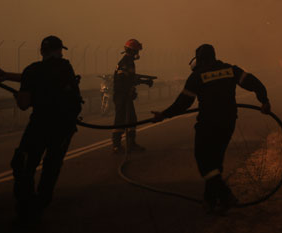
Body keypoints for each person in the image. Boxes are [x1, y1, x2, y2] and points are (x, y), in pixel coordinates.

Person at [152, 44, 272, 213]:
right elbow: (255, 83)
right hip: (228, 122)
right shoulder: (230, 70)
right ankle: (211, 202)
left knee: (204, 161)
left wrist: (163, 115)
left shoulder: (197, 76)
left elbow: (183, 103)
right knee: (215, 162)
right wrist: (264, 101)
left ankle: (225, 195)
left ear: (199, 59)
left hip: (208, 124)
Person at [0, 36, 83, 221]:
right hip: (63, 127)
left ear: (42, 51)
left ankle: (26, 205)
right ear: (59, 51)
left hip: (40, 125)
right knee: (51, 166)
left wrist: (19, 95)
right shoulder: (66, 68)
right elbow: (44, 77)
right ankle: (41, 203)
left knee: (23, 163)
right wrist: (9, 76)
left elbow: (24, 104)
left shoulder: (32, 70)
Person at [112, 38, 151, 153]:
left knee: (131, 119)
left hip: (124, 96)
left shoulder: (128, 61)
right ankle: (117, 145)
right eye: (136, 51)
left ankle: (130, 144)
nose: (137, 53)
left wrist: (144, 81)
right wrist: (128, 92)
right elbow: (122, 81)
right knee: (120, 120)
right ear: (133, 51)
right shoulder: (126, 62)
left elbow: (131, 78)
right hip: (122, 96)